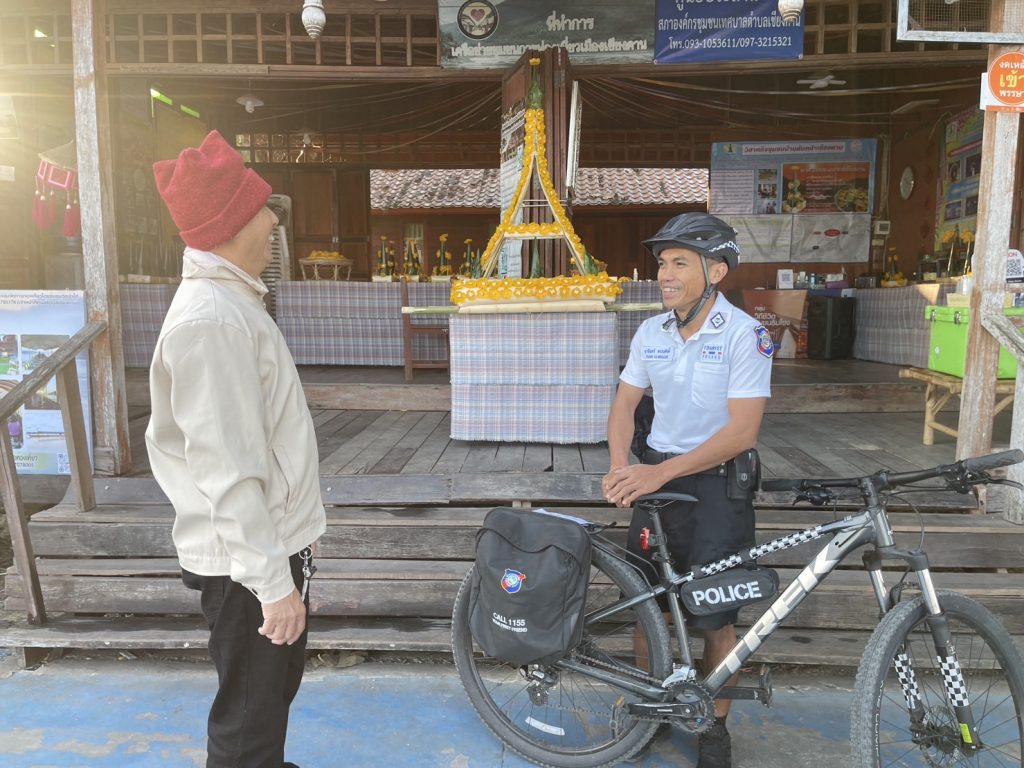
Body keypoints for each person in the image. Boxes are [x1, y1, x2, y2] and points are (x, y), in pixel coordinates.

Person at [147, 129, 326, 768]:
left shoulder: (230, 303)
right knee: (248, 715)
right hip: (248, 562)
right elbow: (226, 470)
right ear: (227, 226)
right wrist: (273, 584)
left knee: (266, 698)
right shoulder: (212, 321)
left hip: (263, 548)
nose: (274, 220)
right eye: (259, 209)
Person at [601, 213, 773, 768]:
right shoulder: (651, 332)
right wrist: (621, 466)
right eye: (662, 263)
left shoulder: (746, 335)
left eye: (680, 262)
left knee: (716, 619)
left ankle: (714, 727)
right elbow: (625, 405)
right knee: (647, 608)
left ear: (716, 271)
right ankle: (651, 709)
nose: (665, 274)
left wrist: (659, 474)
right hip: (656, 484)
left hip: (718, 487)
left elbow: (742, 433)